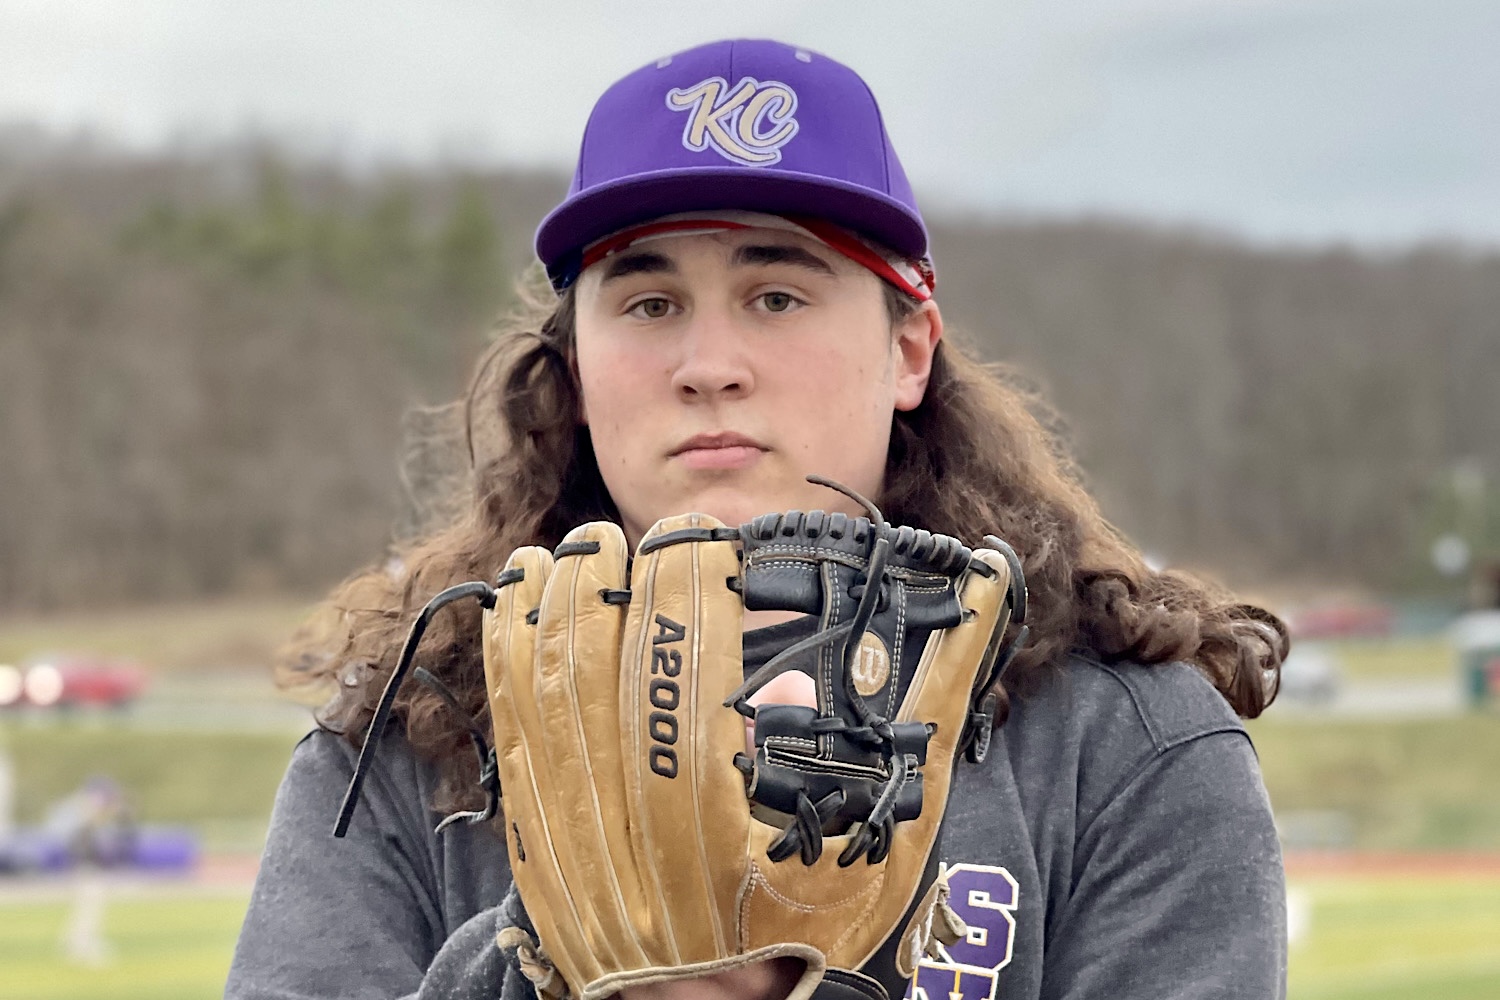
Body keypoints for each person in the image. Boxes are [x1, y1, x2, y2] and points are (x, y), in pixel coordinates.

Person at [226, 38, 1289, 1000]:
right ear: (581, 372)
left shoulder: (1126, 747)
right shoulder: (408, 741)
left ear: (909, 347)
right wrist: (547, 970)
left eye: (776, 294)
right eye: (649, 305)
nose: (709, 367)